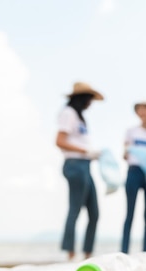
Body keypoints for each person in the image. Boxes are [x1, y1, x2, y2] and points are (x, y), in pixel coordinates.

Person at [55, 82, 104, 260]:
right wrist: (85, 151)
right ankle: (69, 255)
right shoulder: (68, 113)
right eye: (89, 99)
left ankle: (87, 255)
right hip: (75, 165)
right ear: (83, 98)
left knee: (94, 212)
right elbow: (59, 141)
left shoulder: (80, 117)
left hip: (86, 165)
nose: (90, 103)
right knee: (75, 208)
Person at [121, 102, 146, 253]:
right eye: (140, 110)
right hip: (134, 172)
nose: (142, 112)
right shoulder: (131, 131)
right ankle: (124, 251)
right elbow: (125, 154)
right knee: (129, 213)